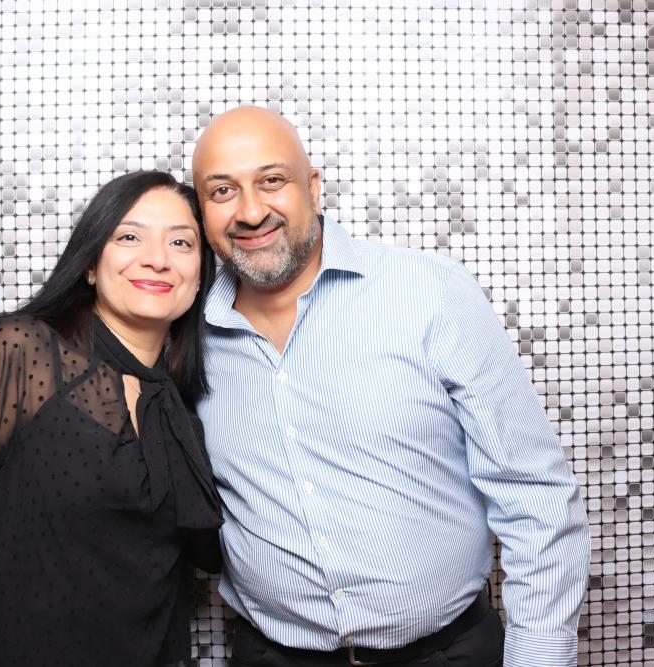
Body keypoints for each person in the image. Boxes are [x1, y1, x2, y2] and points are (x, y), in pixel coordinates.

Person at [192, 107, 590, 667]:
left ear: (313, 188)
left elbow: (535, 496)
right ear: (202, 212)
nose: (251, 211)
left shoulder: (431, 293)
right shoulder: (186, 339)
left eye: (272, 180)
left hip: (447, 654)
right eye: (222, 191)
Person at [0, 170, 222, 666]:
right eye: (129, 237)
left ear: (200, 275)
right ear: (90, 264)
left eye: (181, 242)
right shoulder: (23, 355)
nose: (157, 258)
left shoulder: (183, 409)